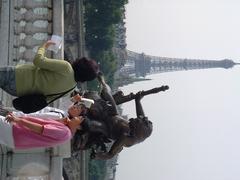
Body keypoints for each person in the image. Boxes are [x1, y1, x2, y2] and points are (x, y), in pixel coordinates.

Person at [73, 73, 153, 159]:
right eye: (137, 118)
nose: (134, 118)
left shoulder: (127, 139)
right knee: (107, 94)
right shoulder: (141, 127)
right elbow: (140, 115)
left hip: (107, 129)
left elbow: (110, 154)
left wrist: (98, 156)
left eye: (136, 121)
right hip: (113, 114)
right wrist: (138, 100)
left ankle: (77, 119)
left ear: (136, 129)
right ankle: (103, 82)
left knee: (91, 125)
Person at [0, 40, 99, 101]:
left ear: (81, 64)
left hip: (17, 76)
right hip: (18, 92)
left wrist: (44, 46)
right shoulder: (71, 89)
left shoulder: (66, 67)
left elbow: (38, 61)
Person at [0, 107, 85, 150]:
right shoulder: (66, 133)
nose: (78, 117)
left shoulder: (65, 132)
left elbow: (40, 129)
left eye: (80, 118)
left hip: (17, 131)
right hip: (17, 136)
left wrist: (18, 119)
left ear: (79, 127)